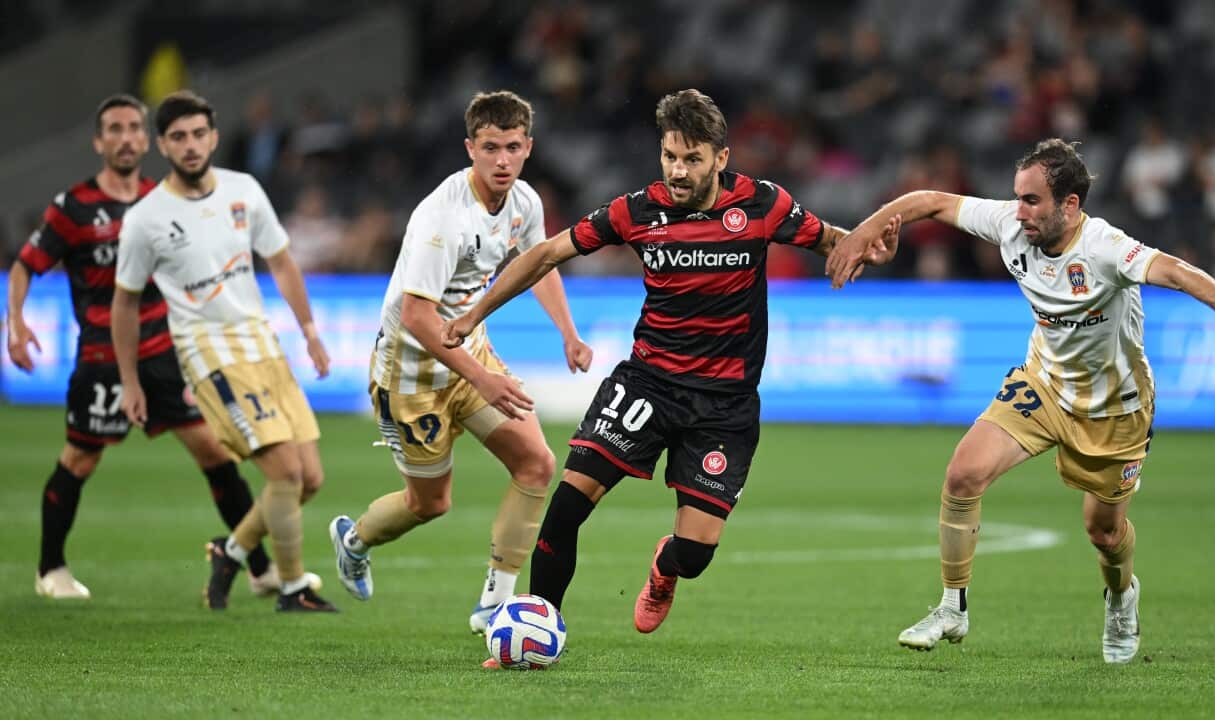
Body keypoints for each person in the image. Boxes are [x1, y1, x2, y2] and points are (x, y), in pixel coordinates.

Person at [443, 89, 898, 643]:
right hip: (648, 383)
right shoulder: (635, 211)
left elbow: (832, 242)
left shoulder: (762, 205)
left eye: (692, 159)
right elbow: (544, 255)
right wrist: (471, 316)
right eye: (670, 157)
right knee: (566, 507)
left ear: (721, 158)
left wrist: (867, 247)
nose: (678, 172)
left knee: (695, 553)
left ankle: (665, 567)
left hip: (724, 404)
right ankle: (536, 629)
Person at [825, 138, 1215, 664]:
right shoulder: (1011, 224)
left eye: (1032, 200)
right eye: (1018, 197)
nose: (1020, 212)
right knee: (963, 474)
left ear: (1070, 205)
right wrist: (863, 231)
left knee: (1103, 533)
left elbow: (1173, 270)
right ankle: (952, 607)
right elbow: (929, 200)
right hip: (1044, 386)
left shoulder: (1105, 247)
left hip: (1115, 409)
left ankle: (1122, 597)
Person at [6, 94, 291, 601]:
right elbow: (27, 263)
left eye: (133, 128)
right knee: (79, 460)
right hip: (102, 358)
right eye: (113, 129)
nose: (124, 138)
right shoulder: (73, 207)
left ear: (146, 140)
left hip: (166, 353)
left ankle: (261, 568)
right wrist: (16, 322)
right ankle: (50, 569)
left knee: (214, 453)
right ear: (99, 141)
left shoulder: (163, 203)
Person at [327, 91, 593, 635]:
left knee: (537, 464)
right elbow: (420, 318)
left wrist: (569, 332)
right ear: (470, 148)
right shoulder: (441, 217)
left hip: (471, 357)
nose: (501, 160)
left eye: (512, 147)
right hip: (411, 378)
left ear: (528, 148)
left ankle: (496, 603)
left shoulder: (524, 202)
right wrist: (485, 381)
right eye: (490, 147)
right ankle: (354, 540)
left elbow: (538, 263)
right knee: (429, 503)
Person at [111, 90, 337, 612]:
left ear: (213, 137)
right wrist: (130, 379)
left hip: (262, 342)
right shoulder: (145, 219)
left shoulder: (244, 190)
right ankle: (293, 585)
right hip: (209, 354)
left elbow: (280, 262)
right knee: (285, 473)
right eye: (177, 138)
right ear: (161, 146)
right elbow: (125, 303)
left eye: (198, 134)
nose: (190, 146)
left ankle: (231, 551)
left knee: (311, 478)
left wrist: (309, 330)